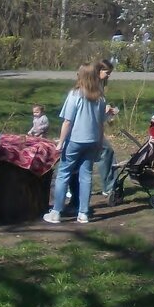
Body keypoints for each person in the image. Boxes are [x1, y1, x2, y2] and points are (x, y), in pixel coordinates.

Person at [44, 62, 107, 225]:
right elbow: (101, 124)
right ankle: (83, 213)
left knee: (63, 174)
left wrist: (60, 142)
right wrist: (100, 142)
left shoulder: (75, 94)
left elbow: (67, 121)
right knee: (86, 176)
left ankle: (56, 212)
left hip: (75, 141)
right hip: (92, 141)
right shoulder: (100, 98)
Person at [94, 61, 119, 201]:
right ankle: (108, 187)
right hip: (91, 129)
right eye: (107, 73)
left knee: (107, 153)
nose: (108, 76)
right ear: (99, 71)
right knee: (106, 152)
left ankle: (109, 185)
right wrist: (104, 110)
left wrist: (108, 113)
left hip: (96, 127)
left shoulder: (100, 86)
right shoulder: (94, 87)